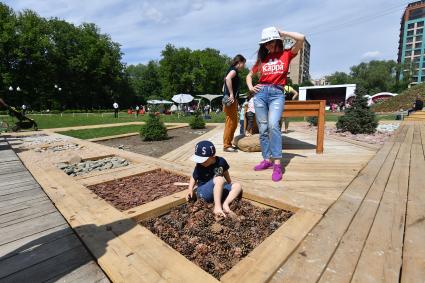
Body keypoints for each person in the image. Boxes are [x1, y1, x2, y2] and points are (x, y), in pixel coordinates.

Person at [246, 26, 304, 182]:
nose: (268, 46)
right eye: (265, 44)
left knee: (273, 125)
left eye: (270, 42)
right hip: (260, 94)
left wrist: (283, 33)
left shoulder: (286, 54)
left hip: (277, 93)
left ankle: (277, 164)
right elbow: (249, 75)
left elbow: (301, 38)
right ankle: (266, 160)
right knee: (263, 128)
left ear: (276, 40)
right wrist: (251, 87)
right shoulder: (262, 60)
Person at [186, 140, 242, 219]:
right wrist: (190, 189)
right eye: (198, 160)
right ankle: (217, 208)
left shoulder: (221, 161)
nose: (201, 163)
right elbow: (194, 176)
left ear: (212, 157)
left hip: (219, 189)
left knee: (237, 186)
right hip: (204, 192)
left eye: (204, 160)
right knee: (219, 179)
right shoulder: (199, 165)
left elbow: (225, 172)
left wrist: (230, 182)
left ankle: (225, 204)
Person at [223, 54, 247, 152]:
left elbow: (225, 80)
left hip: (230, 99)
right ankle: (226, 145)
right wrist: (231, 94)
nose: (244, 66)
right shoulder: (234, 70)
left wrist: (226, 93)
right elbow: (228, 78)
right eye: (243, 64)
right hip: (231, 99)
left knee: (233, 122)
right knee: (231, 122)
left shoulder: (231, 69)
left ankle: (228, 143)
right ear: (239, 62)